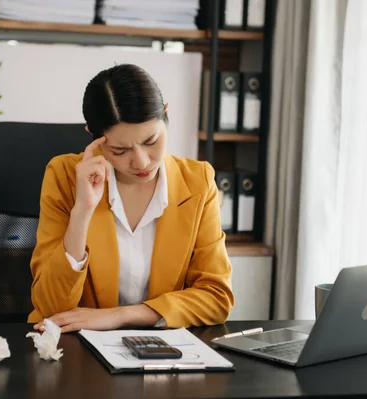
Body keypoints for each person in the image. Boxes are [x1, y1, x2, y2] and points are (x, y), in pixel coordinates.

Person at [29, 63, 234, 333]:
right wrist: (82, 212)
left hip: (162, 352)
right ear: (94, 137)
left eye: (151, 141)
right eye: (120, 149)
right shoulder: (64, 177)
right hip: (77, 346)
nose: (141, 162)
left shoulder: (197, 182)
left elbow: (216, 298)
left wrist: (122, 316)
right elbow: (50, 308)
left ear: (166, 116)